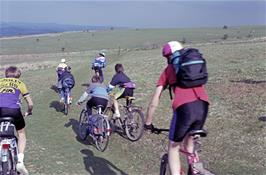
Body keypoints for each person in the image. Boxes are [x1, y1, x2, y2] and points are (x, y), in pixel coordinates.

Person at [144, 41, 209, 175]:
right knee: (189, 146)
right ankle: (195, 169)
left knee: (173, 147)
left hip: (184, 109)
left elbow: (154, 101)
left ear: (168, 57)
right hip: (203, 105)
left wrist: (148, 123)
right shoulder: (192, 69)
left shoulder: (168, 70)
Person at [0, 66, 33, 175]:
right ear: (18, 75)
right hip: (14, 111)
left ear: (6, 74)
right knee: (21, 133)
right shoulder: (20, 84)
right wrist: (28, 111)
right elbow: (30, 103)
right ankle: (20, 161)